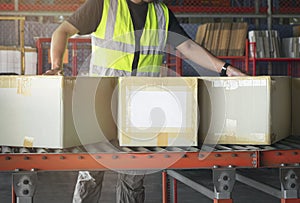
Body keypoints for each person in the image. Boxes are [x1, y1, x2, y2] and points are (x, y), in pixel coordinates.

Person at [45, 0, 246, 202]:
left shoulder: (161, 13)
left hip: (141, 108)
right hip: (101, 105)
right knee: (91, 173)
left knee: (133, 178)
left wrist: (225, 69)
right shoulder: (104, 5)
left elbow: (187, 46)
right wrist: (56, 66)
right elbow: (62, 31)